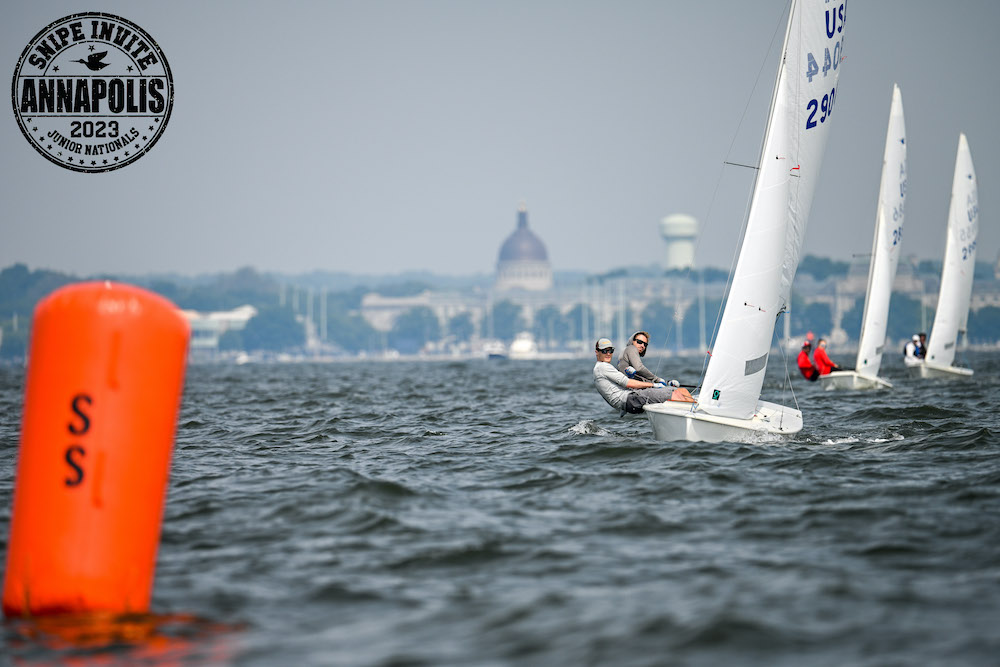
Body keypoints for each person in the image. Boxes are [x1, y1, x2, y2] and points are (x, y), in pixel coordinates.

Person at [593, 338, 693, 415]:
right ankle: (695, 413)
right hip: (631, 400)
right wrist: (654, 385)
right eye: (604, 351)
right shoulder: (602, 367)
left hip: (630, 399)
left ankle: (693, 411)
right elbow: (628, 383)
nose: (608, 354)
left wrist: (665, 384)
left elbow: (621, 384)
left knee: (681, 391)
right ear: (597, 352)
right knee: (676, 393)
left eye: (610, 350)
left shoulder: (601, 368)